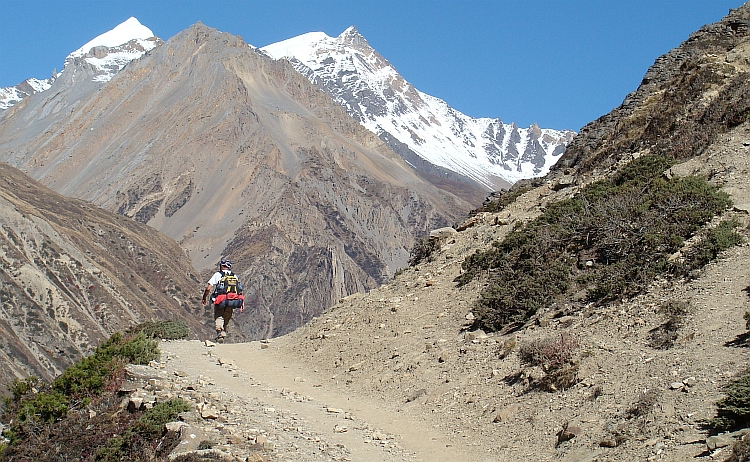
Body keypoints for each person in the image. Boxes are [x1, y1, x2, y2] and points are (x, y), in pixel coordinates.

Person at [202, 258, 244, 342]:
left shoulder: (218, 274)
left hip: (220, 299)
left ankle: (219, 332)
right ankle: (223, 331)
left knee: (218, 316)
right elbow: (239, 290)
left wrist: (204, 297)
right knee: (227, 316)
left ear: (221, 265)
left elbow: (208, 288)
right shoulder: (234, 276)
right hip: (232, 300)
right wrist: (242, 302)